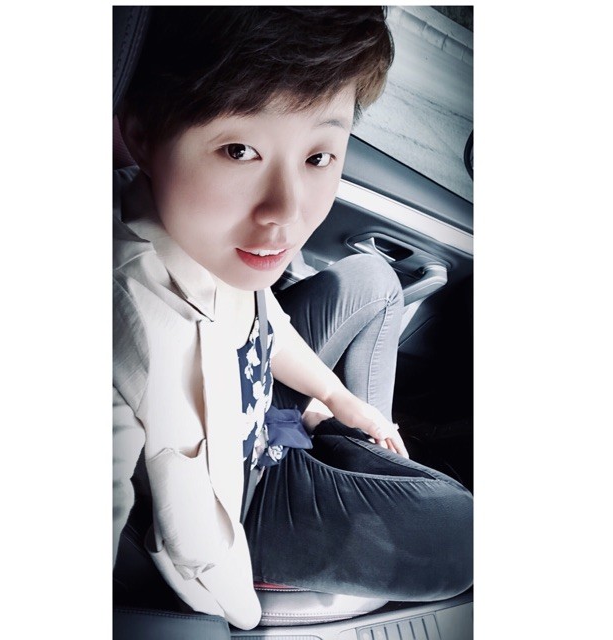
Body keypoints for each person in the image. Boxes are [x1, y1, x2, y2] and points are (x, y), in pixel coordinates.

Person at [113, 6, 472, 632]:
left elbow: (264, 320)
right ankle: (323, 443)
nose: (286, 212)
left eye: (319, 157)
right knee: (460, 531)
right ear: (141, 134)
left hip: (259, 407)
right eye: (239, 149)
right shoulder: (119, 324)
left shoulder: (208, 240)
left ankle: (324, 430)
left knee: (375, 281)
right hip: (246, 495)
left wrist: (339, 399)